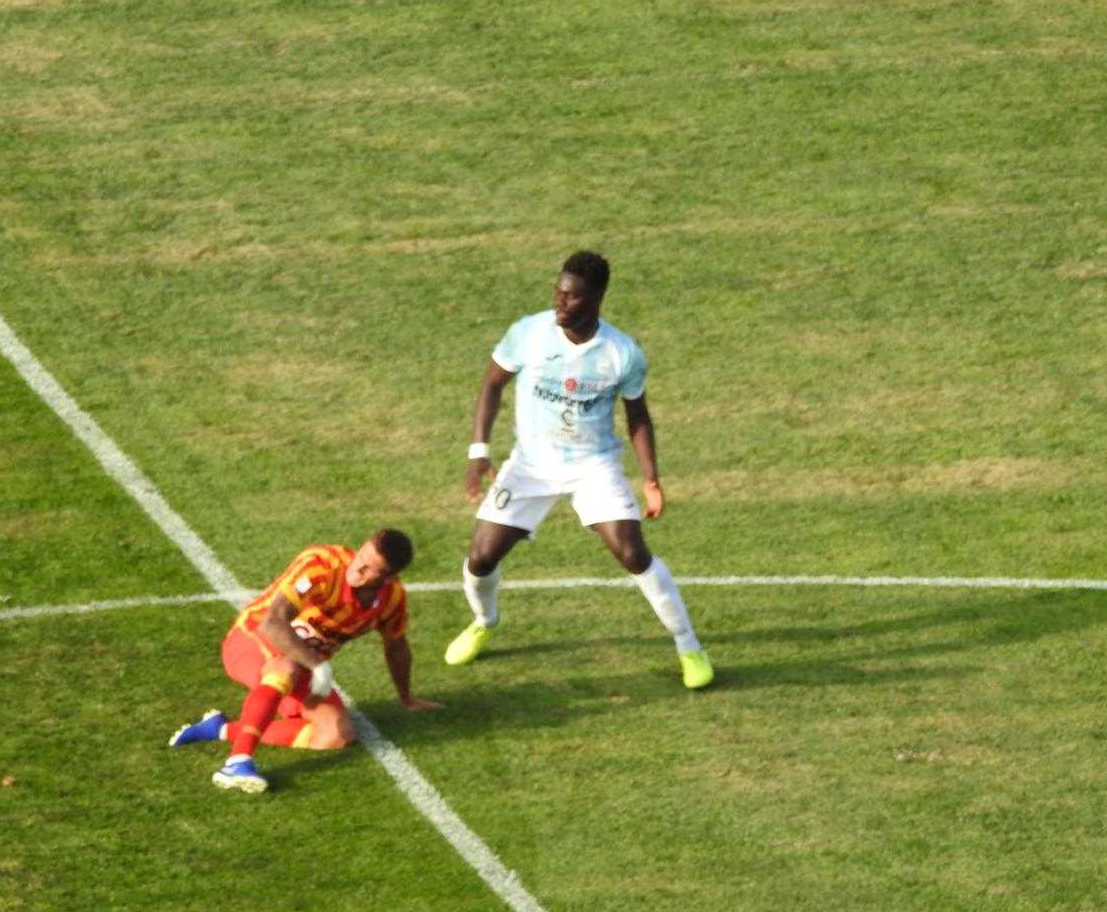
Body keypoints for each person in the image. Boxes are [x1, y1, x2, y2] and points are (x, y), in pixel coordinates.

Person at [445, 251, 714, 690]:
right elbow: (493, 382)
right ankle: (483, 621)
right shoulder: (530, 333)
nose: (560, 303)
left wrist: (650, 478)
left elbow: (638, 416)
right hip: (531, 464)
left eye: (572, 297)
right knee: (480, 557)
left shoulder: (621, 354)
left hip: (594, 465)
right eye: (558, 291)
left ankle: (690, 647)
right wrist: (479, 450)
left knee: (631, 552)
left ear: (596, 300)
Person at [168, 528, 443, 792]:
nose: (358, 570)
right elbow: (272, 623)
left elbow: (396, 646)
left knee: (336, 735)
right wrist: (318, 665)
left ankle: (221, 729)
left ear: (390, 578)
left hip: (303, 664)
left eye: (372, 570)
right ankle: (237, 763)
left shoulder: (391, 599)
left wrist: (406, 696)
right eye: (362, 558)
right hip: (250, 640)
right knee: (284, 669)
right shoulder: (321, 565)